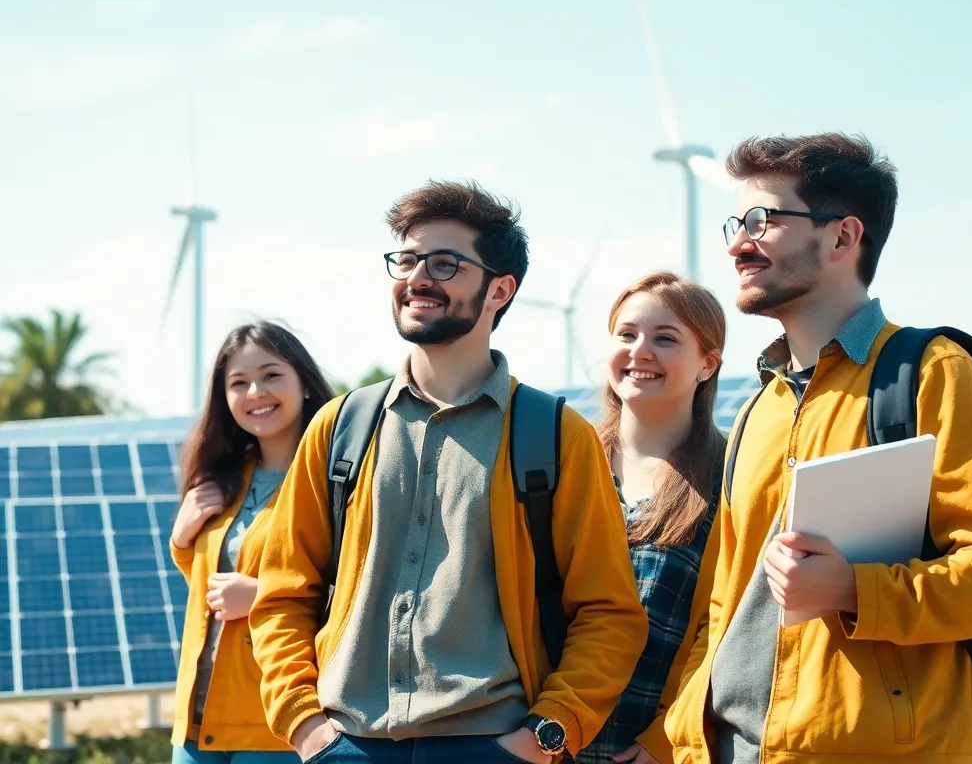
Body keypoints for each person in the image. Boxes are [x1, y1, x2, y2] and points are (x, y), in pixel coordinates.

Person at [664, 134, 972, 763]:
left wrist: (853, 590)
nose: (738, 244)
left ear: (843, 237)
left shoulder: (933, 373)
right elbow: (720, 604)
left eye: (762, 221)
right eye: (736, 225)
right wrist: (685, 737)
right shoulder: (758, 408)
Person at [248, 180, 648, 764]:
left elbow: (609, 612)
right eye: (407, 260)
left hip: (495, 746)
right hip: (345, 744)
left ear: (499, 290)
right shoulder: (340, 427)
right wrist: (305, 725)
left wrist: (544, 736)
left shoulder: (556, 436)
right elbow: (282, 593)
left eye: (444, 264)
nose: (417, 278)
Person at [576, 271, 726, 764]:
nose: (640, 351)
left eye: (665, 338)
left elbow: (731, 628)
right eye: (627, 334)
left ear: (707, 364)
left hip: (651, 749)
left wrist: (667, 738)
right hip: (540, 741)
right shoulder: (564, 461)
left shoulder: (732, 477)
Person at [169, 321, 335, 764]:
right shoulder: (221, 480)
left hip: (277, 723)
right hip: (198, 721)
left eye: (271, 375)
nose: (255, 392)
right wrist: (182, 542)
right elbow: (213, 590)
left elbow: (359, 589)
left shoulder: (334, 482)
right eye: (238, 382)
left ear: (304, 383)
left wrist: (262, 596)